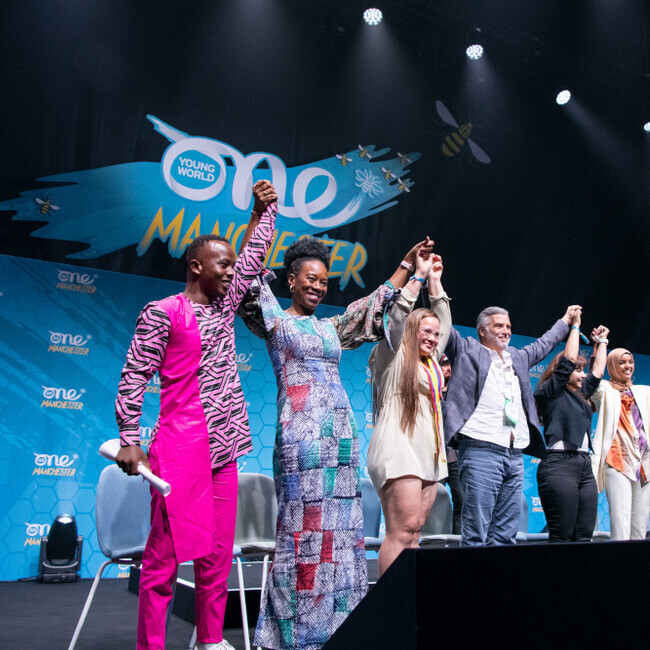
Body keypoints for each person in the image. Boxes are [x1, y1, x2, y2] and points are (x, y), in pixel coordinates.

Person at [237, 236, 430, 650]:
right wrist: (259, 221)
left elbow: (368, 309)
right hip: (300, 442)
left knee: (341, 538)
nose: (318, 287)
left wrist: (407, 265)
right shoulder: (275, 320)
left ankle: (340, 630)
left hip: (340, 442)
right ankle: (293, 635)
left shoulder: (330, 328)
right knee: (302, 536)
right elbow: (246, 277)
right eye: (310, 279)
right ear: (290, 280)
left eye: (324, 281)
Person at [114, 180, 278, 650]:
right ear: (195, 267)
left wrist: (261, 213)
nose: (231, 272)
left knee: (216, 556)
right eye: (221, 264)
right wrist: (129, 437)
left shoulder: (226, 306)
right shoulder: (163, 312)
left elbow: (252, 257)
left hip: (224, 451)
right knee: (163, 562)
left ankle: (210, 640)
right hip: (180, 451)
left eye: (231, 264)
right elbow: (133, 376)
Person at [431, 276, 580, 546]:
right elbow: (444, 323)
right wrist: (433, 281)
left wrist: (566, 321)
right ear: (481, 331)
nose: (505, 330)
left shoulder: (517, 358)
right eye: (498, 325)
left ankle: (495, 587)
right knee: (476, 533)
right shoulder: (467, 350)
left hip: (514, 455)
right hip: (480, 451)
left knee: (505, 536)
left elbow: (545, 344)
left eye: (508, 326)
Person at [366, 253, 451, 576]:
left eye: (435, 333)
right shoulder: (393, 355)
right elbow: (398, 316)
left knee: (415, 532)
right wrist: (417, 277)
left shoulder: (430, 362)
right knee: (400, 532)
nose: (431, 337)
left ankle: (405, 600)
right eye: (425, 331)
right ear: (413, 330)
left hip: (427, 452)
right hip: (398, 448)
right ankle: (387, 603)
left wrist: (435, 281)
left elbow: (445, 321)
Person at [534, 314, 608, 543]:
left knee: (584, 535)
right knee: (562, 535)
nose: (583, 375)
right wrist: (575, 327)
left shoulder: (581, 394)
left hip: (584, 466)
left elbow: (597, 374)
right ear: (564, 374)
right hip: (559, 465)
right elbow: (567, 361)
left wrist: (602, 342)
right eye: (578, 371)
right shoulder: (550, 392)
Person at [591, 346, 650, 540]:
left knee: (640, 528)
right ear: (612, 366)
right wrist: (600, 344)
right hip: (617, 461)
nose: (627, 366)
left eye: (630, 361)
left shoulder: (643, 392)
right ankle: (620, 568)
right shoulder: (604, 391)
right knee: (620, 525)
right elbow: (594, 379)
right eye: (622, 362)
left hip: (644, 464)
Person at [438, 354, 464, 535]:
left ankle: (457, 547)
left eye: (450, 364)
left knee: (461, 500)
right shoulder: (429, 392)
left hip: (455, 456)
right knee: (432, 503)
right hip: (434, 458)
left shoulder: (459, 394)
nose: (448, 368)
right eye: (444, 364)